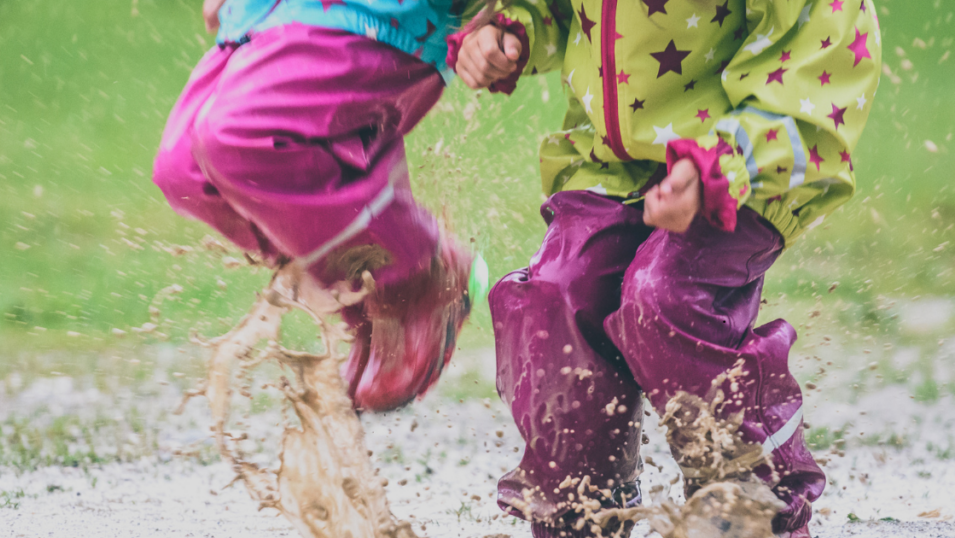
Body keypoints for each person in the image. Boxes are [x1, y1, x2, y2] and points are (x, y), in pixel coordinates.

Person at [451, 0, 882, 536]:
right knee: (553, 297)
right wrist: (512, 27)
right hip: (610, 163)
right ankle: (583, 504)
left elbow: (820, 48)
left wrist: (724, 163)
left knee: (664, 295)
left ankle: (749, 493)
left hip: (744, 161)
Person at [153, 0, 484, 412]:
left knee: (236, 137)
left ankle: (416, 272)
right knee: (183, 172)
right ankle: (362, 291)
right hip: (262, 14)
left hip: (369, 16)